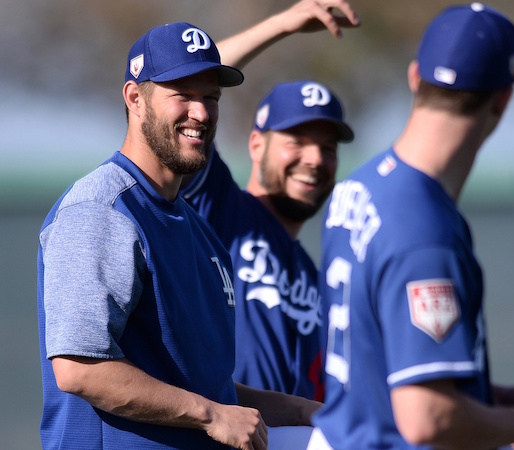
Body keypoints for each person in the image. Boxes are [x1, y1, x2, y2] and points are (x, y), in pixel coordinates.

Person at [308, 3, 514, 450]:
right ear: (503, 98)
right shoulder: (423, 229)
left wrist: (480, 395)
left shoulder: (359, 186)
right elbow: (426, 419)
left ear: (415, 77)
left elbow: (378, 367)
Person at [37, 21, 320, 450]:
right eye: (182, 95)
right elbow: (80, 368)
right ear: (135, 98)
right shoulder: (102, 210)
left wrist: (299, 410)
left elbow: (207, 391)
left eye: (211, 97)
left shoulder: (200, 231)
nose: (202, 113)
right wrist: (210, 414)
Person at [181, 0, 358, 402]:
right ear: (256, 144)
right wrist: (282, 25)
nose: (315, 160)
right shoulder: (218, 208)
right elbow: (181, 78)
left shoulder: (316, 277)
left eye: (328, 148)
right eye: (296, 141)